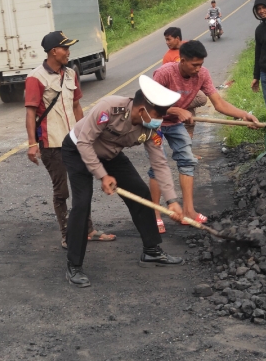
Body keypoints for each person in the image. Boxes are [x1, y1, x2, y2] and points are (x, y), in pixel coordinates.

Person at [61, 78, 187, 288]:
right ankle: (74, 266)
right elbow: (85, 143)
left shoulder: (150, 128)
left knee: (140, 192)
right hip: (78, 150)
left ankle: (152, 251)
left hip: (110, 154)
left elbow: (160, 163)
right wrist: (102, 176)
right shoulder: (110, 108)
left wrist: (172, 200)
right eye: (158, 115)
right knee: (82, 204)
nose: (160, 120)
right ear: (142, 109)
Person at [150, 40, 260, 230]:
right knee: (158, 166)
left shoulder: (203, 74)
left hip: (175, 125)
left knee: (187, 161)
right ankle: (154, 214)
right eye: (194, 65)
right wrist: (176, 110)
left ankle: (188, 211)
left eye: (200, 64)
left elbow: (219, 103)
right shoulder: (164, 73)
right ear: (182, 61)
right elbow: (148, 104)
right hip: (156, 123)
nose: (198, 69)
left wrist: (244, 115)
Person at [25, 31, 116, 249]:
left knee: (82, 187)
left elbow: (76, 106)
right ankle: (67, 234)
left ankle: (89, 230)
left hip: (75, 142)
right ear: (53, 51)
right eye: (65, 48)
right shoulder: (35, 78)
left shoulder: (70, 74)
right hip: (51, 144)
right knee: (62, 191)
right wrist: (31, 143)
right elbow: (30, 113)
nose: (68, 52)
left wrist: (88, 134)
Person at [161, 27, 207, 138]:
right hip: (176, 91)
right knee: (189, 113)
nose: (167, 42)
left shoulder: (188, 47)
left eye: (169, 39)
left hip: (189, 89)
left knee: (201, 99)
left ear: (177, 38)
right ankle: (181, 107)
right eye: (166, 40)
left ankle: (188, 150)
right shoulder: (168, 58)